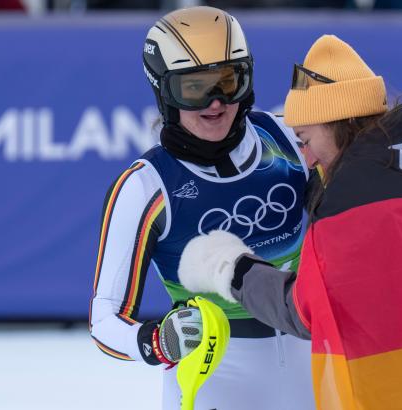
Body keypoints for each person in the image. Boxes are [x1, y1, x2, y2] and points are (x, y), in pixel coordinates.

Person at [178, 35, 402, 409]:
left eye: (305, 138)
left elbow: (308, 309)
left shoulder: (357, 198)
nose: (306, 158)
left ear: (335, 122)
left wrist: (232, 267)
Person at [89, 6, 315, 410]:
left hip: (313, 357)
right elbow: (105, 318)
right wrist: (157, 342)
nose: (216, 103)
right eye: (194, 88)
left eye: (229, 81)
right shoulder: (145, 187)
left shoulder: (288, 140)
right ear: (164, 92)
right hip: (215, 374)